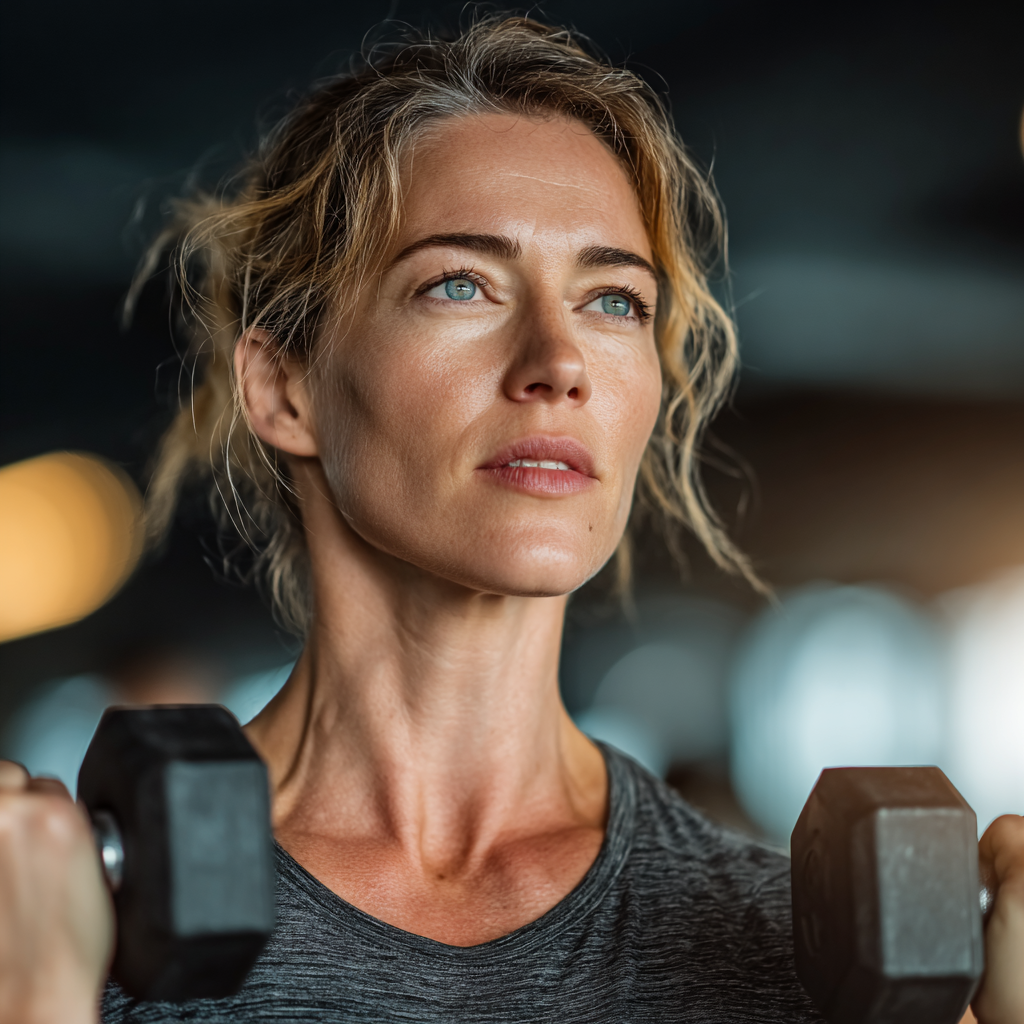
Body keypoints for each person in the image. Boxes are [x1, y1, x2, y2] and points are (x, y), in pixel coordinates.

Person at [0, 17, 1021, 1024]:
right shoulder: (58, 919)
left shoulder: (811, 958)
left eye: (613, 300)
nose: (558, 362)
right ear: (285, 389)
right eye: (461, 284)